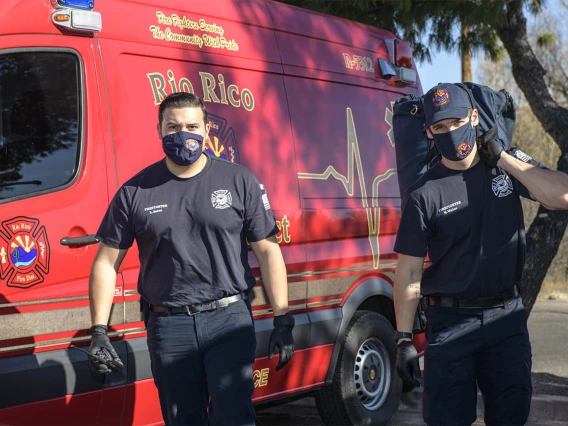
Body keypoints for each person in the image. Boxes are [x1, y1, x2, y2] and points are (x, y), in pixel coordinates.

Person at [87, 92, 295, 426]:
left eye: (191, 126)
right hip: (169, 326)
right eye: (173, 127)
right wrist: (99, 329)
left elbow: (268, 250)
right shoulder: (135, 192)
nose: (183, 134)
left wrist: (282, 317)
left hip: (229, 320)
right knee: (182, 419)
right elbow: (105, 262)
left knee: (234, 418)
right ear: (159, 131)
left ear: (206, 129)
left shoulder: (239, 180)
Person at [393, 82, 568, 426]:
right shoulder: (423, 193)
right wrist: (403, 338)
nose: (450, 133)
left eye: (457, 122)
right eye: (440, 127)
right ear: (429, 132)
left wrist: (502, 155)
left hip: (506, 321)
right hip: (449, 326)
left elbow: (561, 196)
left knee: (510, 418)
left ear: (474, 117)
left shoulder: (507, 165)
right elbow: (409, 273)